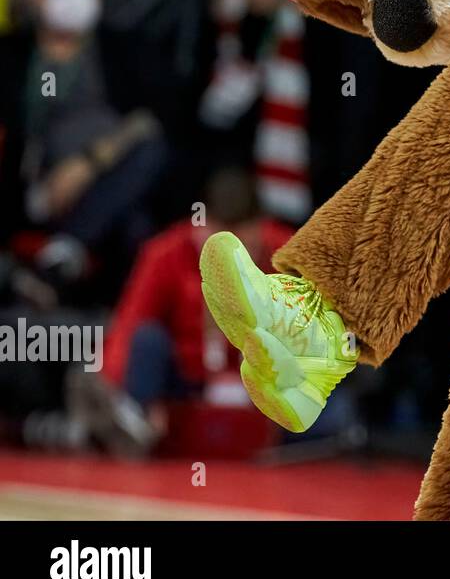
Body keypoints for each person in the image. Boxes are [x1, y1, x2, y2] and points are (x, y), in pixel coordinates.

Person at [77, 168, 294, 454]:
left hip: (263, 387)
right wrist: (118, 386)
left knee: (335, 409)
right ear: (199, 227)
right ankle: (136, 421)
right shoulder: (164, 254)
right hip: (184, 386)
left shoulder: (289, 254)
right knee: (147, 341)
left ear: (261, 228)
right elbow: (129, 329)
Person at [0, 0, 169, 302]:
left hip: (106, 184)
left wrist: (86, 165)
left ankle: (67, 256)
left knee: (145, 177)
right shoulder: (11, 55)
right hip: (31, 192)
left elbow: (156, 119)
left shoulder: (124, 51)